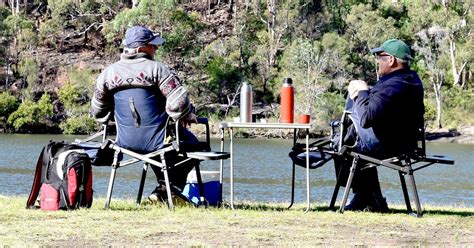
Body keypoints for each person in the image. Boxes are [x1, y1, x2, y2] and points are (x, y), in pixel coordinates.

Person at [90, 25, 199, 203]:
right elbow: (178, 103)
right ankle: (168, 189)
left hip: (124, 142)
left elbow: (97, 111)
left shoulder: (107, 74)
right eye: (152, 45)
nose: (156, 48)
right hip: (158, 141)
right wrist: (186, 115)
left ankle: (163, 191)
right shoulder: (158, 70)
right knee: (195, 146)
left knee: (161, 151)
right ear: (141, 48)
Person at [342, 39, 425, 212]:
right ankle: (370, 197)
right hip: (403, 142)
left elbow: (365, 118)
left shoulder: (394, 85)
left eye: (379, 56)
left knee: (344, 143)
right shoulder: (410, 79)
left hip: (389, 145)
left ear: (391, 60)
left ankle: (365, 197)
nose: (377, 60)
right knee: (348, 137)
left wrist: (362, 90)